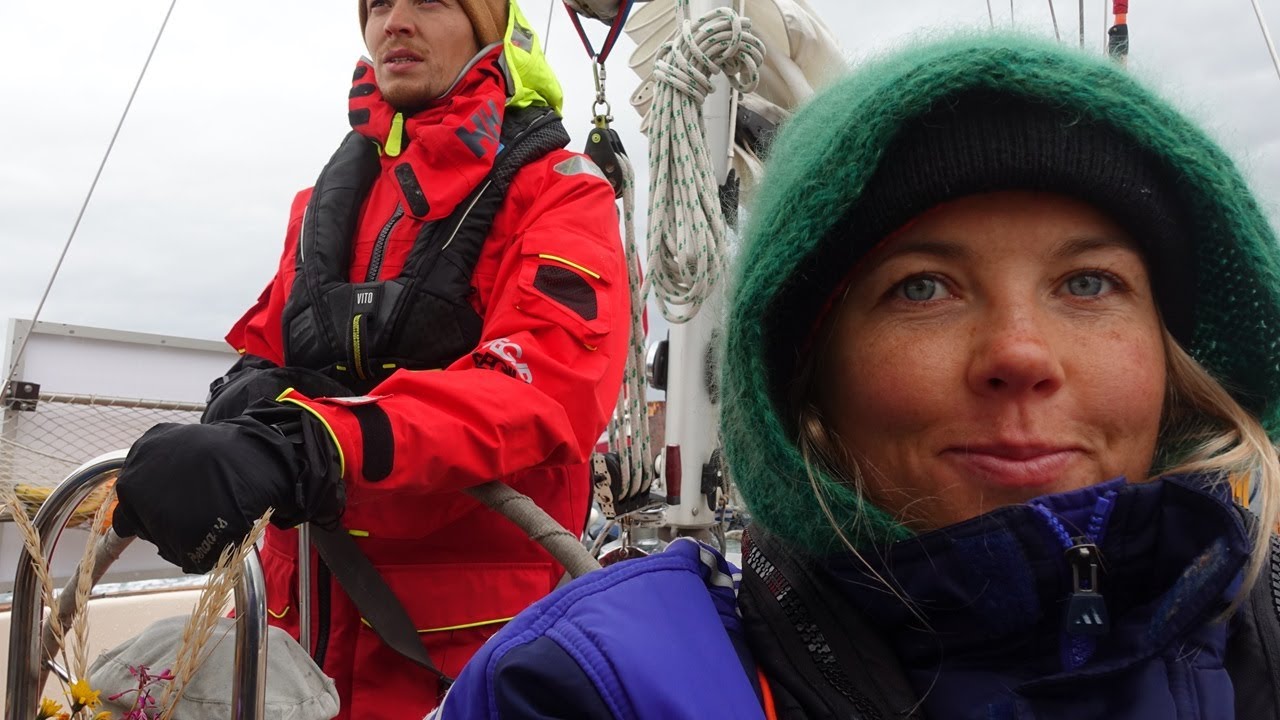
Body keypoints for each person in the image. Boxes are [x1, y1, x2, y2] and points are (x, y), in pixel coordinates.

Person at [429, 31, 1280, 719]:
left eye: (1088, 284)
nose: (1021, 354)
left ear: (1174, 360)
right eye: (923, 288)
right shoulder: (593, 687)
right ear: (804, 378)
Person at [108, 0, 629, 717]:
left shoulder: (562, 192)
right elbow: (269, 342)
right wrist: (239, 409)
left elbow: (541, 389)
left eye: (430, 1)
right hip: (293, 641)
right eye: (379, 3)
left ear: (490, 24)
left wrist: (318, 441)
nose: (395, 22)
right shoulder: (326, 200)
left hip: (462, 665)